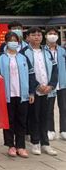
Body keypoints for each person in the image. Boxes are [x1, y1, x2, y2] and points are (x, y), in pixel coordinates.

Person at [0, 31, 35, 158]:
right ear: (6, 42)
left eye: (15, 41)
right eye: (10, 40)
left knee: (21, 121)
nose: (13, 43)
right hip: (7, 95)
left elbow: (31, 75)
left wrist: (31, 92)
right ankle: (11, 145)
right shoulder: (0, 57)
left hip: (22, 94)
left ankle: (21, 146)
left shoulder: (23, 58)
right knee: (9, 121)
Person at [22, 27, 58, 156]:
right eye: (34, 35)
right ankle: (35, 142)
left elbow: (55, 69)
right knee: (34, 117)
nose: (37, 37)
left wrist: (51, 85)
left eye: (39, 35)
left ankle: (45, 143)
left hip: (48, 90)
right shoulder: (24, 52)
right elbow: (27, 73)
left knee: (46, 116)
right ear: (28, 37)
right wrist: (37, 86)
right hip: (34, 91)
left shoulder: (47, 51)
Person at [45, 27, 66, 141]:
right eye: (50, 33)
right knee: (49, 108)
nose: (52, 35)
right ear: (46, 36)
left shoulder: (63, 51)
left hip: (62, 83)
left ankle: (64, 130)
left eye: (54, 33)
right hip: (50, 84)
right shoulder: (43, 50)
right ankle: (50, 130)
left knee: (63, 107)